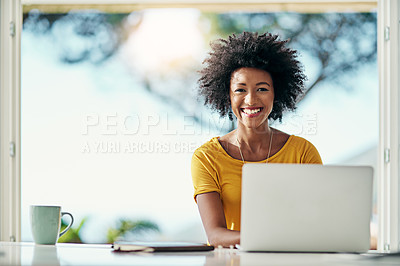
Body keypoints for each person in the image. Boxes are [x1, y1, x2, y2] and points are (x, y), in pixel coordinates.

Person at [191, 32, 322, 247]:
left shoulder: (302, 152)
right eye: (240, 90)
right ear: (228, 96)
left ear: (275, 94)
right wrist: (268, 239)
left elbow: (318, 220)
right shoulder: (207, 157)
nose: (251, 100)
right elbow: (215, 235)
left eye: (262, 89)